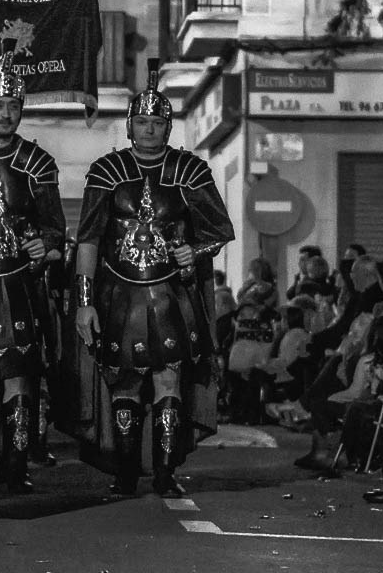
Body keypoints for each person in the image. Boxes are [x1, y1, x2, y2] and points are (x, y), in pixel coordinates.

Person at [73, 59, 235, 498]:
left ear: (168, 126)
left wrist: (194, 250)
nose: (149, 130)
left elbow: (220, 230)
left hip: (171, 294)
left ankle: (165, 474)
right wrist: (84, 302)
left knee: (169, 380)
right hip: (118, 293)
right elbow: (88, 240)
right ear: (130, 126)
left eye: (157, 122)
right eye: (142, 122)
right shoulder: (106, 172)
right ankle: (125, 474)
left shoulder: (190, 170)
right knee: (123, 383)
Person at [0, 41, 64, 493]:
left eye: (12, 105)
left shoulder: (37, 163)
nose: (5, 114)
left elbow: (54, 227)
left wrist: (46, 244)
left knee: (20, 374)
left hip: (20, 285)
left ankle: (15, 461)